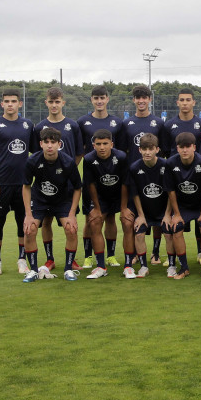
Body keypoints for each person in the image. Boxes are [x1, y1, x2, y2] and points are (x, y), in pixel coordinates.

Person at [31, 87, 84, 272]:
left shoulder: (72, 125)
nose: (54, 105)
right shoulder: (39, 127)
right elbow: (35, 155)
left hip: (68, 184)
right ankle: (49, 258)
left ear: (63, 102)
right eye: (51, 102)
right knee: (45, 221)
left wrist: (67, 171)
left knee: (70, 222)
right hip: (45, 184)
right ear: (46, 103)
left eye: (57, 101)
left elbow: (79, 153)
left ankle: (72, 260)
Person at [0, 88, 34, 276]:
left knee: (23, 222)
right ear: (2, 104)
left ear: (20, 104)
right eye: (7, 101)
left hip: (23, 185)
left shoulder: (28, 125)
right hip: (1, 184)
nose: (10, 104)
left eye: (14, 101)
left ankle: (22, 260)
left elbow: (35, 152)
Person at [20, 127, 82, 282]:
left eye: (53, 142)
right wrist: (28, 215)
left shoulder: (68, 162)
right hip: (39, 199)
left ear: (59, 144)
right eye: (46, 142)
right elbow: (26, 186)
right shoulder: (32, 161)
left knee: (71, 229)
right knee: (29, 229)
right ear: (40, 144)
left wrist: (72, 214)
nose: (49, 145)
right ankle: (33, 271)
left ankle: (68, 269)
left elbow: (77, 188)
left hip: (62, 199)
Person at [116, 85, 166, 266]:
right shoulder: (126, 123)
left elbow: (164, 152)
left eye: (144, 97)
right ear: (134, 100)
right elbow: (122, 151)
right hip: (135, 178)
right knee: (135, 218)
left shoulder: (158, 123)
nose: (141, 101)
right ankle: (138, 254)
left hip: (155, 177)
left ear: (150, 100)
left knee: (158, 218)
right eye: (138, 98)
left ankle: (156, 253)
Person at [78, 86, 124, 268]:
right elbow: (79, 149)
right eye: (96, 98)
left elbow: (120, 150)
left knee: (111, 218)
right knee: (91, 219)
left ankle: (111, 256)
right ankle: (88, 256)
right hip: (92, 177)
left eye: (102, 98)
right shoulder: (82, 122)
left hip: (112, 179)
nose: (99, 101)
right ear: (91, 100)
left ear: (107, 99)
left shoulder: (117, 122)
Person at [120, 133, 172, 278]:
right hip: (144, 210)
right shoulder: (134, 168)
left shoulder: (166, 166)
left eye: (150, 148)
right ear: (139, 150)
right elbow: (135, 194)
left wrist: (167, 215)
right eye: (144, 149)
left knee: (168, 233)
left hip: (163, 209)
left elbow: (170, 193)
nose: (147, 152)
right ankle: (143, 266)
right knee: (139, 233)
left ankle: (172, 265)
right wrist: (141, 216)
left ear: (157, 149)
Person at [81, 129, 130, 279]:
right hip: (98, 195)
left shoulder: (121, 157)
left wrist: (123, 208)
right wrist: (96, 207)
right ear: (93, 145)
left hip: (117, 193)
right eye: (98, 144)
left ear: (111, 144)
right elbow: (90, 184)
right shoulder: (89, 159)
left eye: (105, 143)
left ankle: (121, 261)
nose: (102, 147)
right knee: (95, 222)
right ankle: (100, 265)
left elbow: (125, 183)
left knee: (123, 221)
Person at [164, 132, 201, 279]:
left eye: (188, 147)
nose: (185, 150)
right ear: (177, 148)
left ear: (194, 147)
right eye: (181, 147)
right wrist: (177, 214)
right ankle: (184, 268)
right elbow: (171, 191)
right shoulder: (171, 163)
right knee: (176, 229)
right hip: (183, 206)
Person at [161, 88, 201, 156]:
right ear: (177, 103)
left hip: (196, 166)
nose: (185, 103)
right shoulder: (168, 126)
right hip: (175, 166)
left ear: (193, 103)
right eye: (182, 100)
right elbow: (166, 151)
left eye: (188, 100)